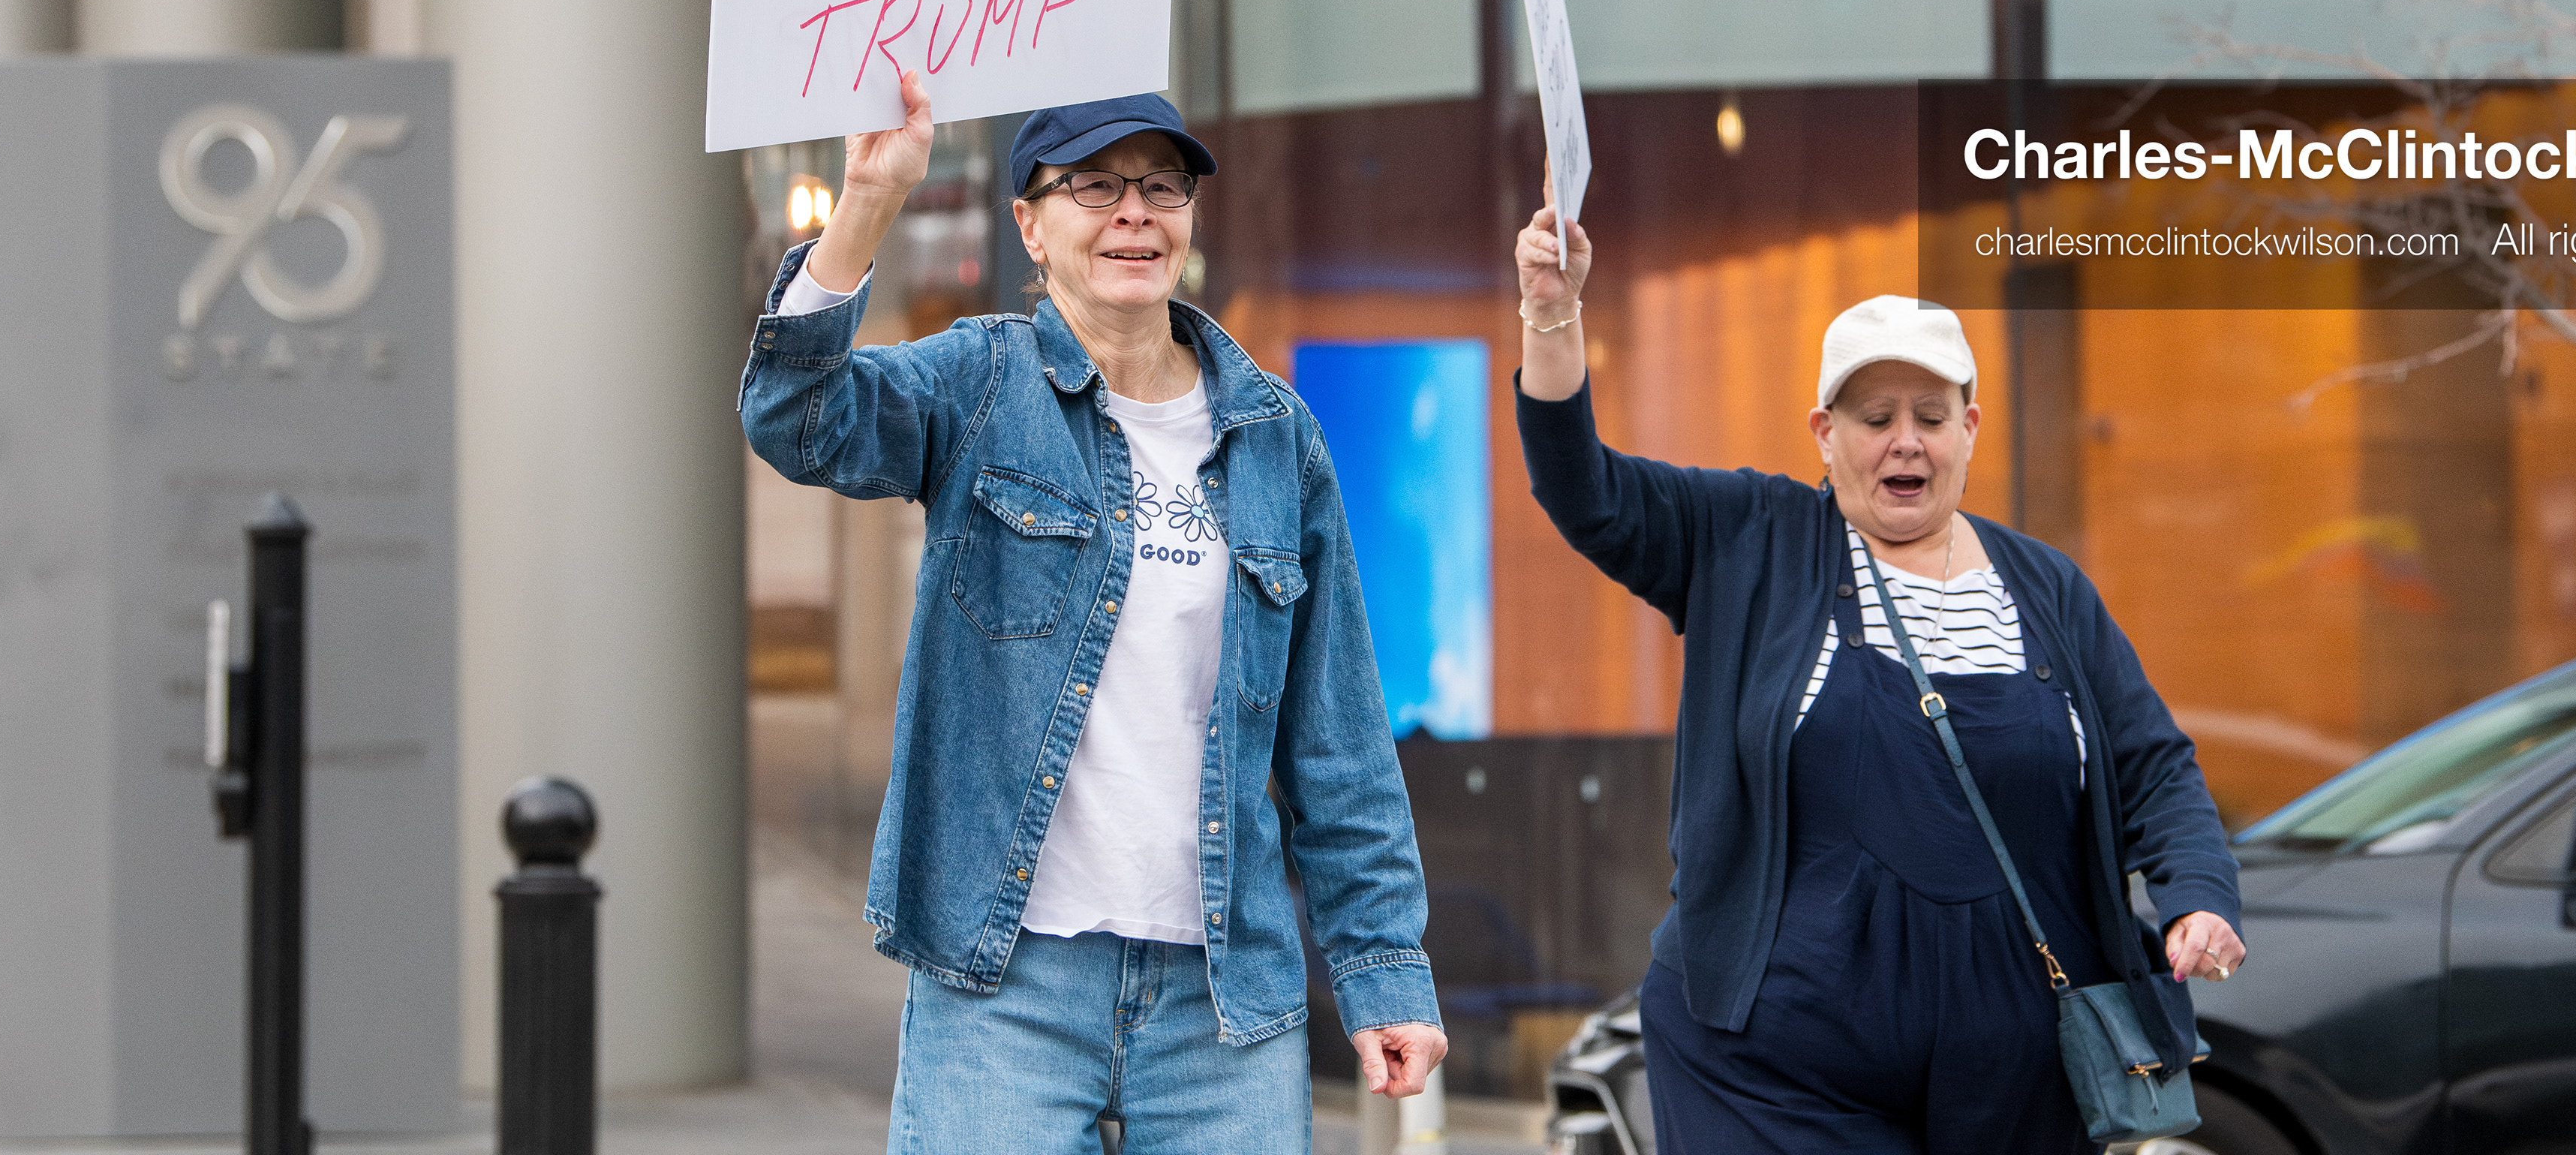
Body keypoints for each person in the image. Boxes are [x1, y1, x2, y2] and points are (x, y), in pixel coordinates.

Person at [741, 73, 1447, 1153]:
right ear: (1029, 224)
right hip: (1006, 985)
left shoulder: (1274, 437)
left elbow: (1338, 736)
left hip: (1224, 1004)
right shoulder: (981, 382)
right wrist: (871, 200)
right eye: (1096, 187)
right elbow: (797, 420)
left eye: (1163, 187)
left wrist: (1382, 966)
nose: (1135, 212)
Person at [1510, 191, 2242, 1153]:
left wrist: (2199, 893)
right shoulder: (1749, 539)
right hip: (1777, 1069)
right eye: (1875, 416)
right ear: (1823, 432)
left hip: (2012, 1068)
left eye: (1931, 416)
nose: (1906, 440)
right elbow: (1584, 488)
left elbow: (2153, 763)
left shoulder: (2048, 590)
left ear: (1971, 430)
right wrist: (1552, 312)